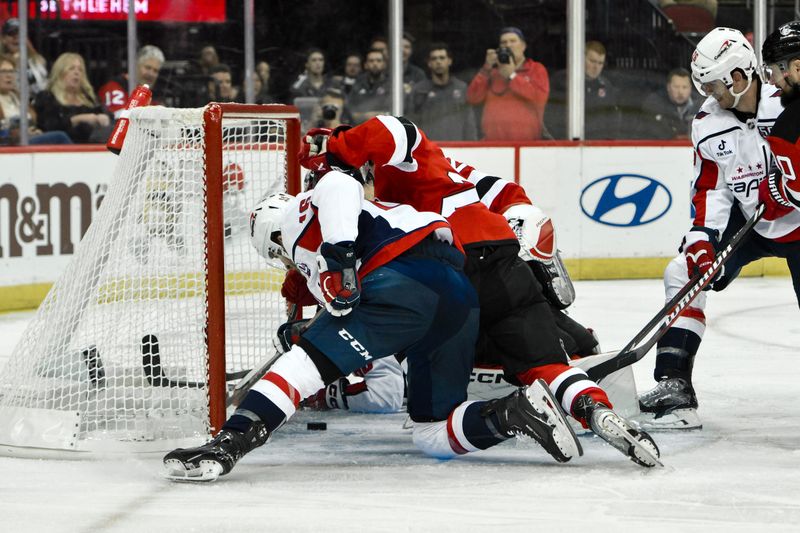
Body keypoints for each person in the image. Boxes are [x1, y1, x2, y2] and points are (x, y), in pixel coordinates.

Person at [162, 168, 582, 481]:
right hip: (456, 294)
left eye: (278, 256)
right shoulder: (325, 244)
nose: (285, 262)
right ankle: (514, 412)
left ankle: (229, 443)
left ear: (272, 235)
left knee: (299, 366)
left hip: (405, 279)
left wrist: (339, 257)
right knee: (433, 433)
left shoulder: (300, 216)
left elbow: (340, 184)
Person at [299, 117, 661, 467]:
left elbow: (391, 127)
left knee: (427, 386)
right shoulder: (441, 165)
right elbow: (504, 190)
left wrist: (336, 149)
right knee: (545, 364)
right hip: (502, 256)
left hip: (446, 269)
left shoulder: (386, 175)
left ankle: (490, 409)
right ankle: (596, 408)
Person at [637, 27, 790, 430]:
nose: (709, 93)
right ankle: (675, 389)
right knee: (683, 272)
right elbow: (710, 187)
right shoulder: (708, 122)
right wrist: (703, 238)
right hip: (752, 221)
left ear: (740, 76)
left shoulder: (787, 103)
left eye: (715, 84)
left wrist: (790, 190)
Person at [466, 27, 549, 140]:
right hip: (493, 144)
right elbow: (472, 98)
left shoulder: (536, 69)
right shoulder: (492, 73)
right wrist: (486, 68)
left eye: (513, 41)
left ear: (523, 46)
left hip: (527, 144)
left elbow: (539, 98)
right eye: (503, 42)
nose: (508, 45)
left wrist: (512, 76)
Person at [759, 21, 800, 216]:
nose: (773, 83)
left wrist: (778, 187)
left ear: (797, 68)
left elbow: (798, 194)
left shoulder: (787, 130)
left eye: (774, 72)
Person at [33, 52, 112, 144]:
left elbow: (106, 115)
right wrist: (77, 119)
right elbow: (48, 127)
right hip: (61, 148)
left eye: (80, 69)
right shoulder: (47, 97)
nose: (76, 72)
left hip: (93, 144)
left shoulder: (89, 98)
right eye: (71, 68)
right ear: (60, 72)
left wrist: (104, 118)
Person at [548, 40, 621, 139]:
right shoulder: (562, 80)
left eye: (600, 63)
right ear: (581, 58)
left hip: (598, 147)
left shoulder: (606, 86)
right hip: (566, 146)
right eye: (592, 61)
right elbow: (551, 116)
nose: (596, 67)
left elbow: (613, 121)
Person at [409, 43, 478, 141]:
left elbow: (469, 121)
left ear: (449, 61)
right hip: (429, 149)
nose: (438, 62)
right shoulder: (419, 90)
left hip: (458, 148)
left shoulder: (461, 88)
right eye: (434, 58)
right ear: (429, 63)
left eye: (442, 58)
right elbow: (412, 122)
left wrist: (472, 146)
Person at [0, 55, 70, 145]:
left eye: (11, 71)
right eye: (3, 72)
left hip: (28, 138)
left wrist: (33, 131)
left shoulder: (18, 97)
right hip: (10, 143)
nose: (9, 75)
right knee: (60, 137)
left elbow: (32, 122)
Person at [97, 45, 164, 118]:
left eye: (155, 71)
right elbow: (116, 117)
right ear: (135, 66)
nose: (151, 74)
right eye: (147, 68)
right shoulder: (114, 86)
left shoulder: (155, 96)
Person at [640, 67, 701, 139]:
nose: (680, 92)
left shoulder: (701, 105)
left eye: (684, 87)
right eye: (676, 87)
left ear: (690, 88)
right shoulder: (654, 104)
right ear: (668, 87)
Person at [0, 18, 48, 95]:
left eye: (20, 33)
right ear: (3, 39)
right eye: (11, 33)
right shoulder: (2, 65)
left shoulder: (38, 61)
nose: (16, 37)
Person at [347, 48, 391, 124]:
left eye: (378, 61)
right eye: (371, 61)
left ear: (384, 64)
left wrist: (366, 115)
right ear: (366, 65)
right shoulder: (358, 84)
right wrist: (370, 115)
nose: (375, 64)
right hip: (361, 128)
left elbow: (391, 113)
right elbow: (352, 113)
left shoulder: (391, 85)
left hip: (385, 128)